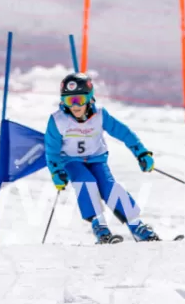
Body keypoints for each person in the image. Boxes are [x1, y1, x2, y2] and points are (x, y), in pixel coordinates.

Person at [44, 73, 161, 244]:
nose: (75, 106)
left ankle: (137, 226)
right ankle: (100, 227)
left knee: (109, 186)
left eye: (79, 100)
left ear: (89, 98)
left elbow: (123, 132)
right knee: (85, 181)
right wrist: (56, 172)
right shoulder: (58, 121)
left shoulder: (100, 115)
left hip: (97, 159)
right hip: (71, 161)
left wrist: (141, 153)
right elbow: (51, 150)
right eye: (69, 101)